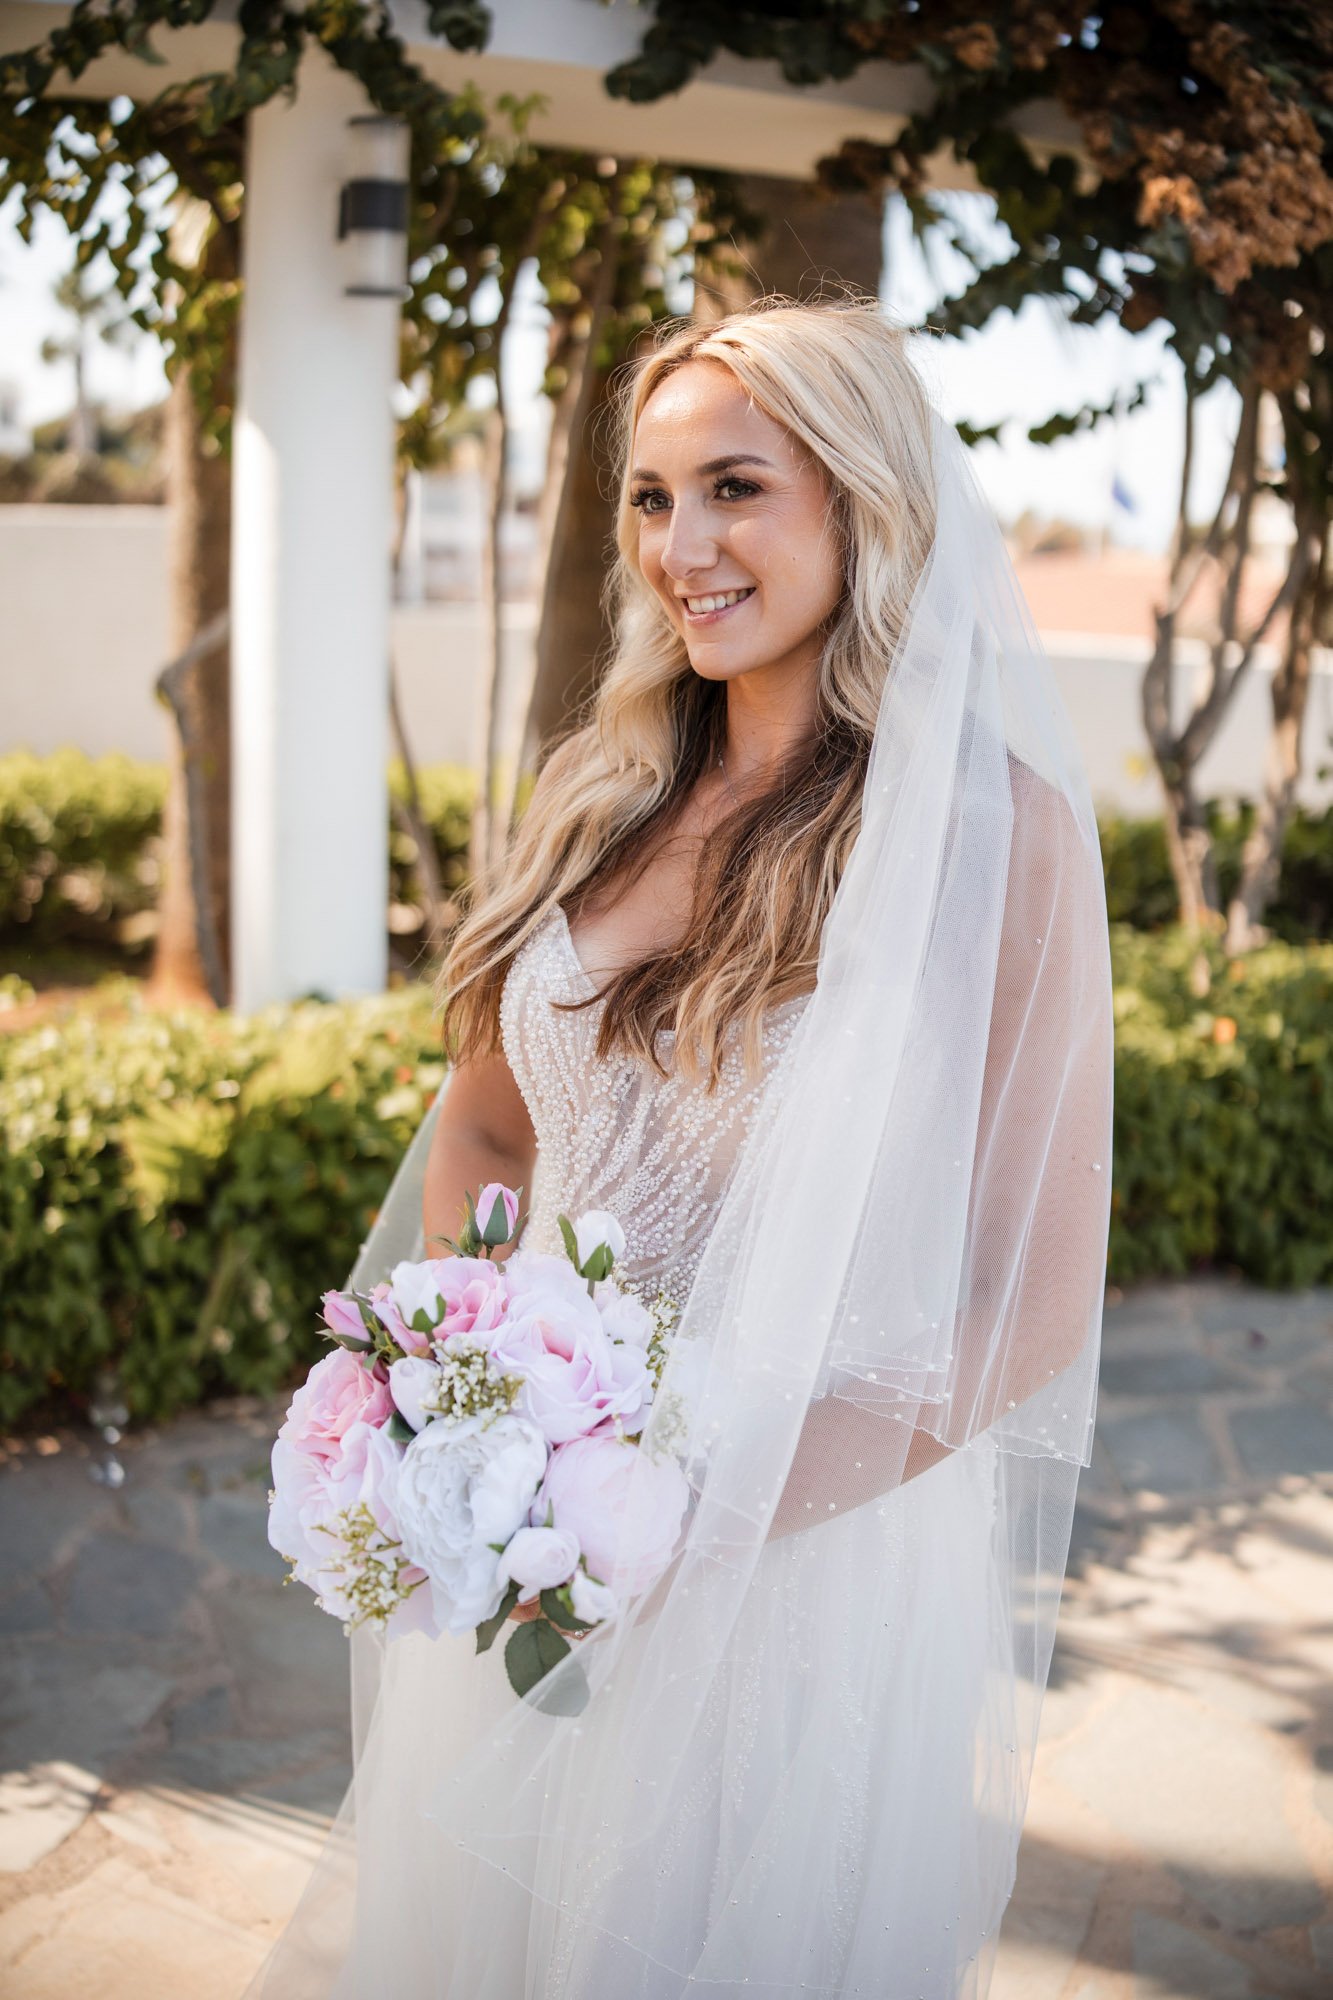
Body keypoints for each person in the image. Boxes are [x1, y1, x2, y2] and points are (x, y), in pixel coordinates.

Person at [249, 296, 1113, 1999]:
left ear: (860, 504)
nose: (679, 546)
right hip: (532, 1537)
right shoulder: (603, 792)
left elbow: (1026, 1301)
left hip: (794, 1567)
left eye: (734, 488)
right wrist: (469, 1394)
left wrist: (688, 1526)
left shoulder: (995, 843)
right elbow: (492, 1116)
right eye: (649, 497)